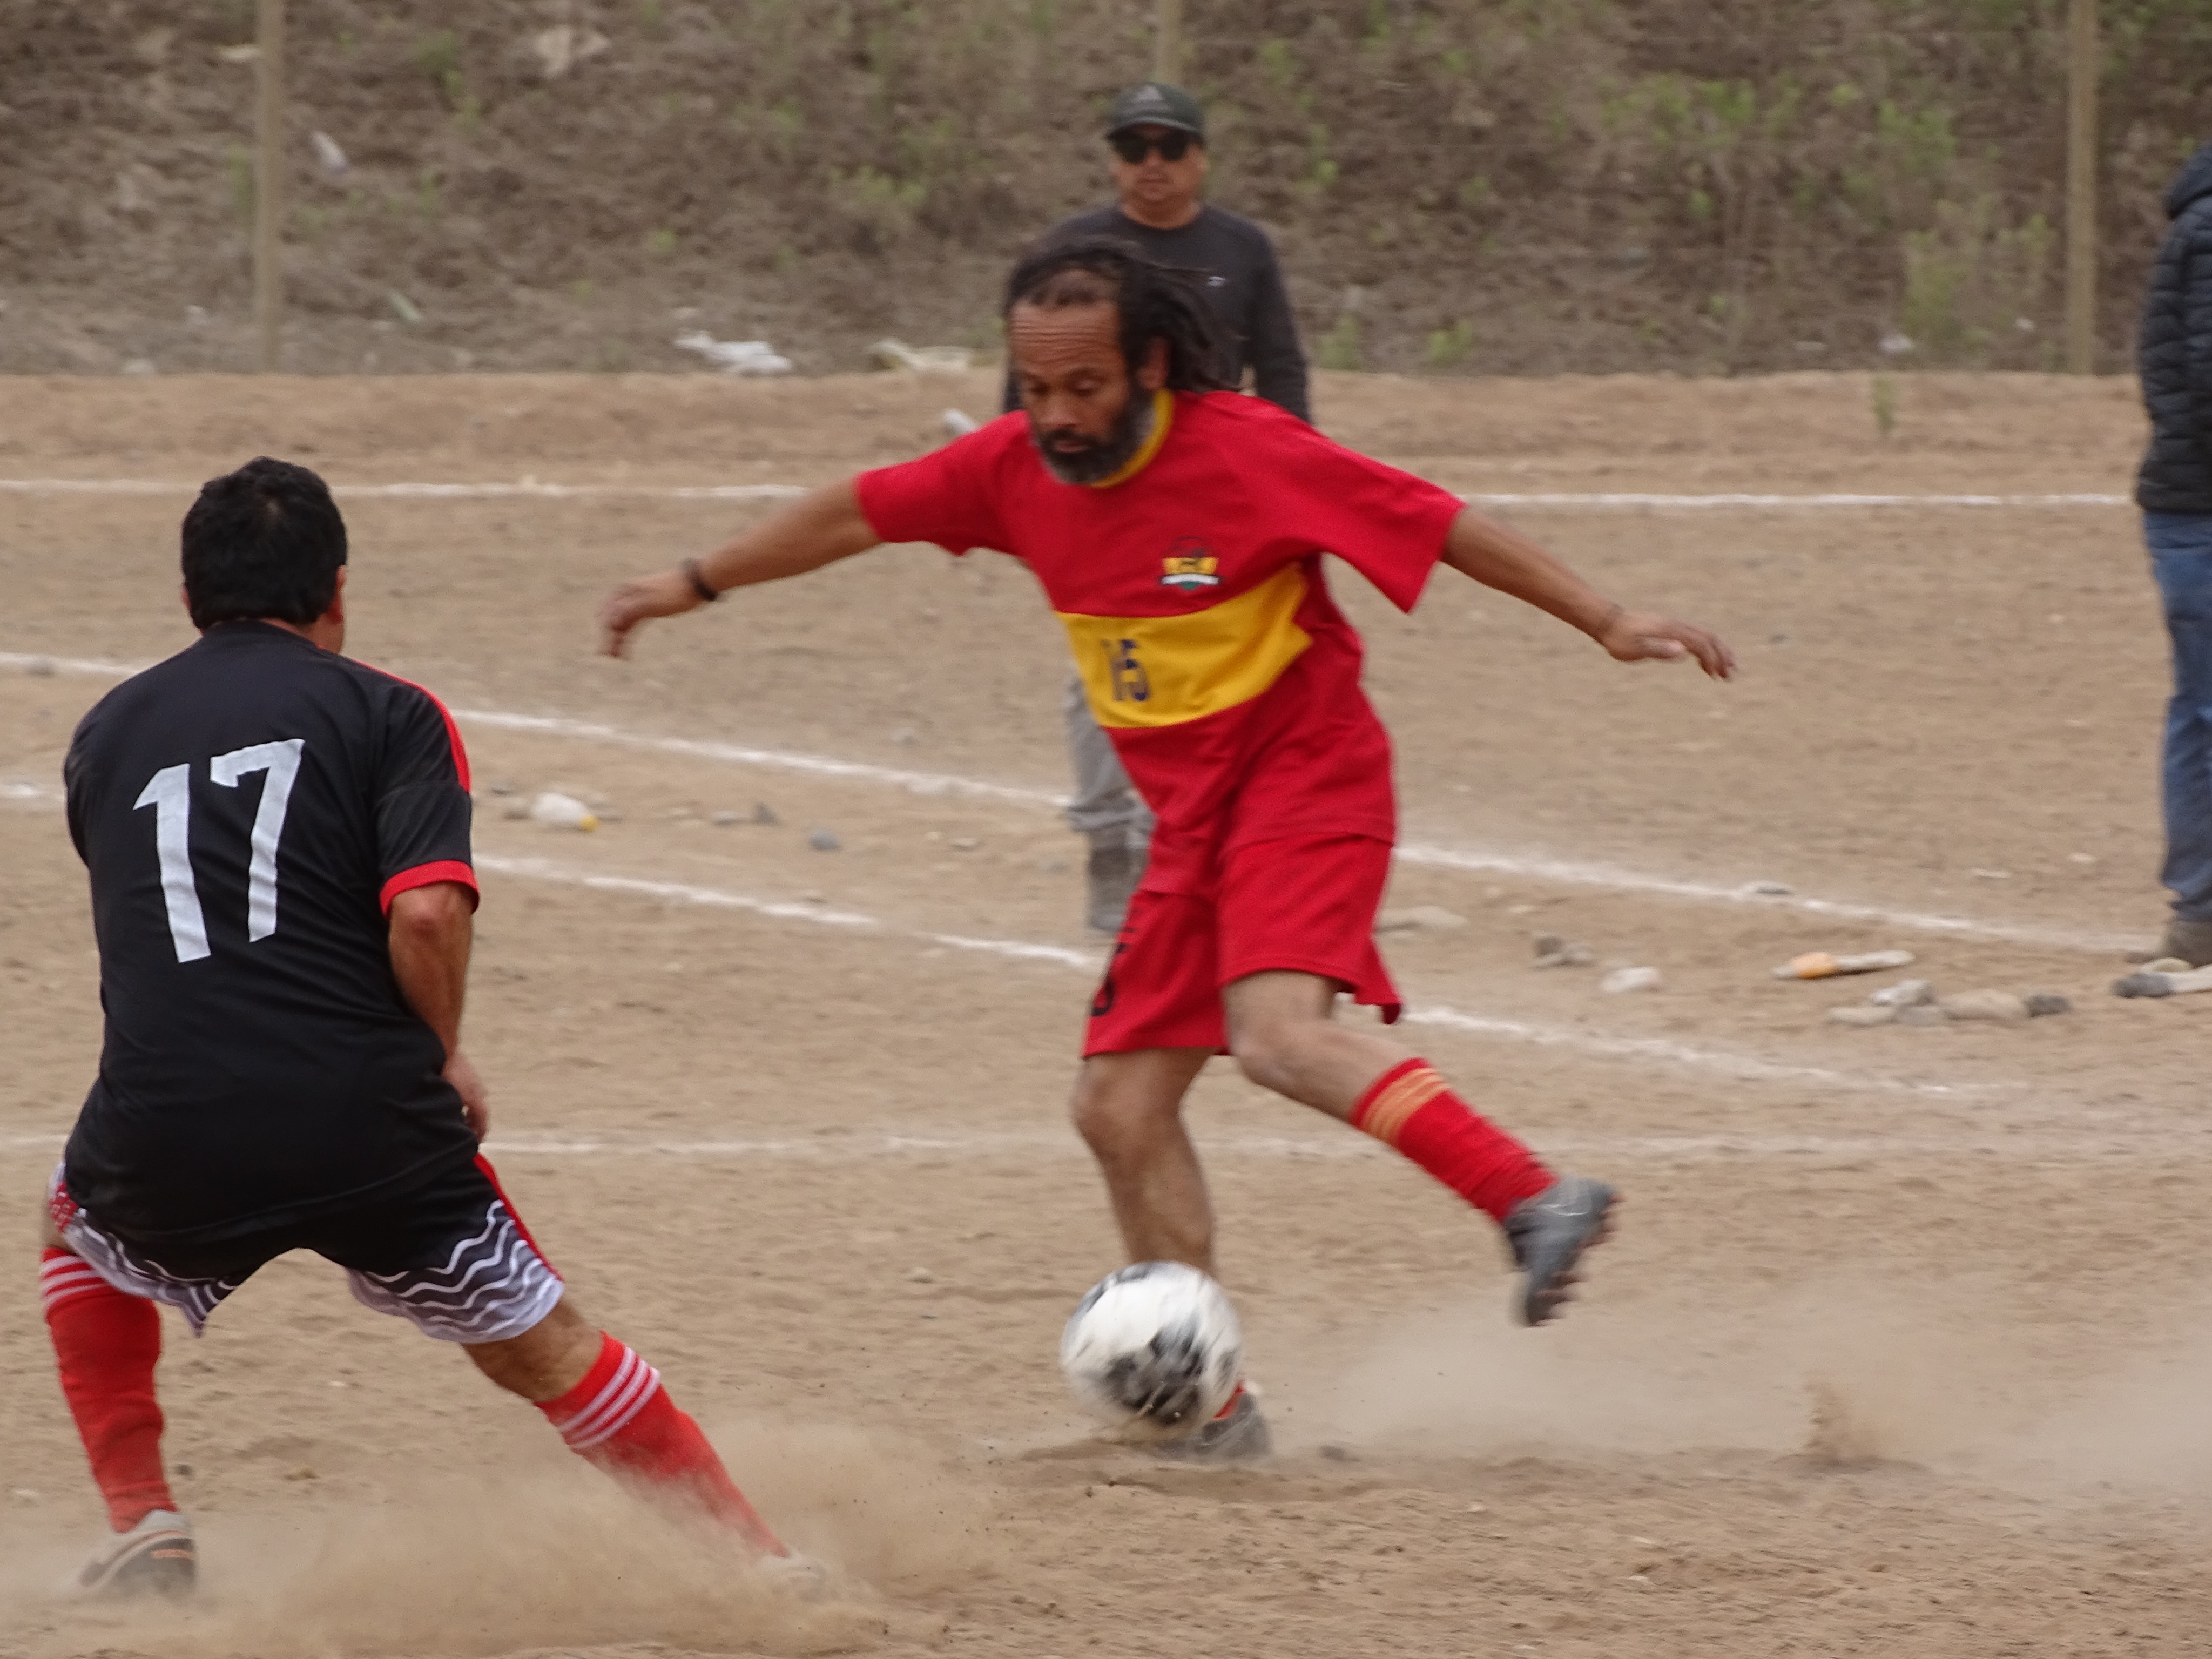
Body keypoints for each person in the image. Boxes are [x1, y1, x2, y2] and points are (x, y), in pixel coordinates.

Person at [598, 239, 1734, 1461]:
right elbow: (856, 511)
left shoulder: (1244, 452)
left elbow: (1438, 523)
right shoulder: (1008, 470)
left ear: (1146, 363)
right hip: (1192, 828)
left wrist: (1608, 618)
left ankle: (1529, 1197)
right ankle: (1211, 1411)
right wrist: (695, 581)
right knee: (1117, 1107)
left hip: (1308, 778)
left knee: (1277, 1038)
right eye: (1033, 389)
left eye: (1083, 387)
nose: (1056, 415)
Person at [41, 458, 799, 1597]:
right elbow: (429, 911)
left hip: (167, 1119)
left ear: (190, 598)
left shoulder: (106, 734)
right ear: (335, 591)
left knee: (73, 1232)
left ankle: (146, 1521)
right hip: (365, 1115)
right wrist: (439, 1052)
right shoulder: (389, 711)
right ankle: (759, 1569)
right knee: (542, 1348)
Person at [1011, 82, 1310, 935]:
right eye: (1134, 148)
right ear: (1112, 159)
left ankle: (1169, 845)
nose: (1152, 165)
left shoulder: (1241, 249)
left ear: (1200, 158)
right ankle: (1111, 841)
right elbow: (1024, 379)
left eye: (1170, 148)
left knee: (1201, 655)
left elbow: (1281, 369)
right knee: (1100, 665)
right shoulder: (1077, 248)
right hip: (1101, 492)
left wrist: (1291, 479)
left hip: (1212, 498)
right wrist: (1021, 478)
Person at [2135, 140, 2212, 966]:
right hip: (2204, 505)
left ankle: (2202, 908)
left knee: (2203, 705)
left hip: (2190, 501)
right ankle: (2204, 907)